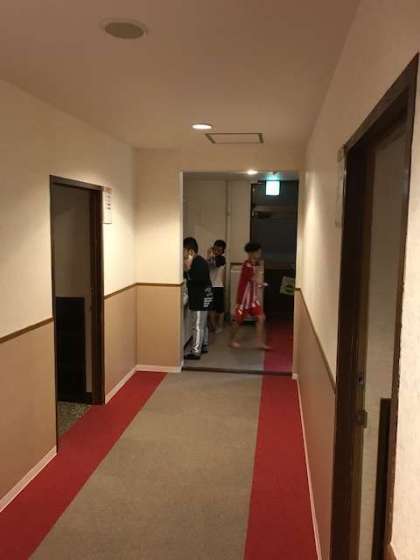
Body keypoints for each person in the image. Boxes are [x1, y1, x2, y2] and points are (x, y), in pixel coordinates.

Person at [230, 241, 270, 350]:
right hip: (244, 300)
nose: (259, 253)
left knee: (261, 317)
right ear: (252, 253)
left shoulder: (253, 264)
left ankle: (259, 342)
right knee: (238, 321)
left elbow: (253, 280)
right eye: (258, 252)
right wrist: (261, 283)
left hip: (252, 299)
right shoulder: (247, 265)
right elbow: (252, 279)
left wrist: (259, 284)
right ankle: (231, 340)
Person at [183, 237, 213, 360]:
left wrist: (188, 269)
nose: (182, 253)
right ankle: (204, 345)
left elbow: (197, 280)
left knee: (198, 325)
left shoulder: (199, 263)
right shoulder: (198, 261)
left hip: (201, 298)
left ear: (190, 251)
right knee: (202, 323)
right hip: (203, 296)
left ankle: (196, 351)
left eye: (184, 250)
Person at [207, 239, 226, 334]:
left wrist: (209, 254)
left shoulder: (222, 259)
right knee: (211, 308)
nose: (217, 251)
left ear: (223, 251)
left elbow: (214, 264)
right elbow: (208, 264)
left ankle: (220, 326)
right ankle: (214, 327)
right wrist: (209, 254)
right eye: (215, 249)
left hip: (218, 286)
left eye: (219, 250)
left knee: (220, 309)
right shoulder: (211, 258)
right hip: (210, 286)